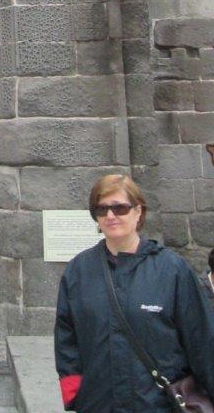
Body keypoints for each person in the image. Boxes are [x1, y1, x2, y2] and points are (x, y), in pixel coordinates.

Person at [54, 173, 214, 412]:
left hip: (157, 405)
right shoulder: (78, 271)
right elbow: (66, 340)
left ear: (138, 212)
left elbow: (201, 340)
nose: (111, 216)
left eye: (120, 208)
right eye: (102, 209)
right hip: (98, 404)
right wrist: (75, 397)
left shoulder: (172, 270)